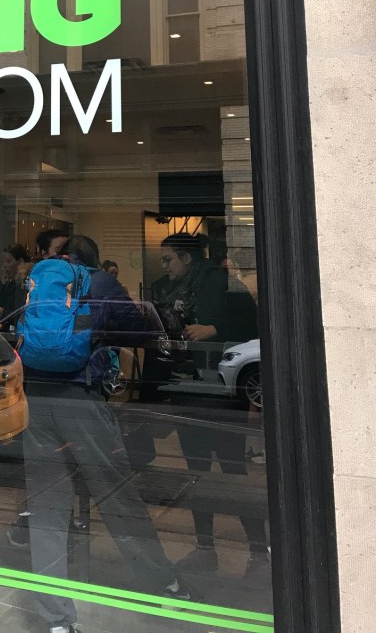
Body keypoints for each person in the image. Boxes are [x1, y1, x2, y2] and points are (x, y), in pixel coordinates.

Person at [18, 234, 188, 633]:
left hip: (34, 398)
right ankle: (161, 583)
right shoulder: (101, 282)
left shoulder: (43, 280)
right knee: (116, 495)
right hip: (80, 399)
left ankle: (56, 620)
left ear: (65, 257)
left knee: (47, 508)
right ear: (94, 259)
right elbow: (138, 332)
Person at [153, 233, 267, 579]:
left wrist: (214, 328)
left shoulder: (218, 280)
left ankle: (258, 552)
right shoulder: (170, 287)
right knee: (196, 472)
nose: (164, 266)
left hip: (220, 387)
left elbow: (253, 323)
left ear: (187, 258)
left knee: (232, 468)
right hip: (186, 384)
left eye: (168, 259)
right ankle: (206, 547)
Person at [0, 243, 31, 321]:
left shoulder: (25, 282)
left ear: (21, 261)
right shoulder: (12, 281)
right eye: (4, 261)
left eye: (8, 261)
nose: (4, 265)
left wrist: (3, 313)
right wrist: (4, 285)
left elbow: (20, 313)